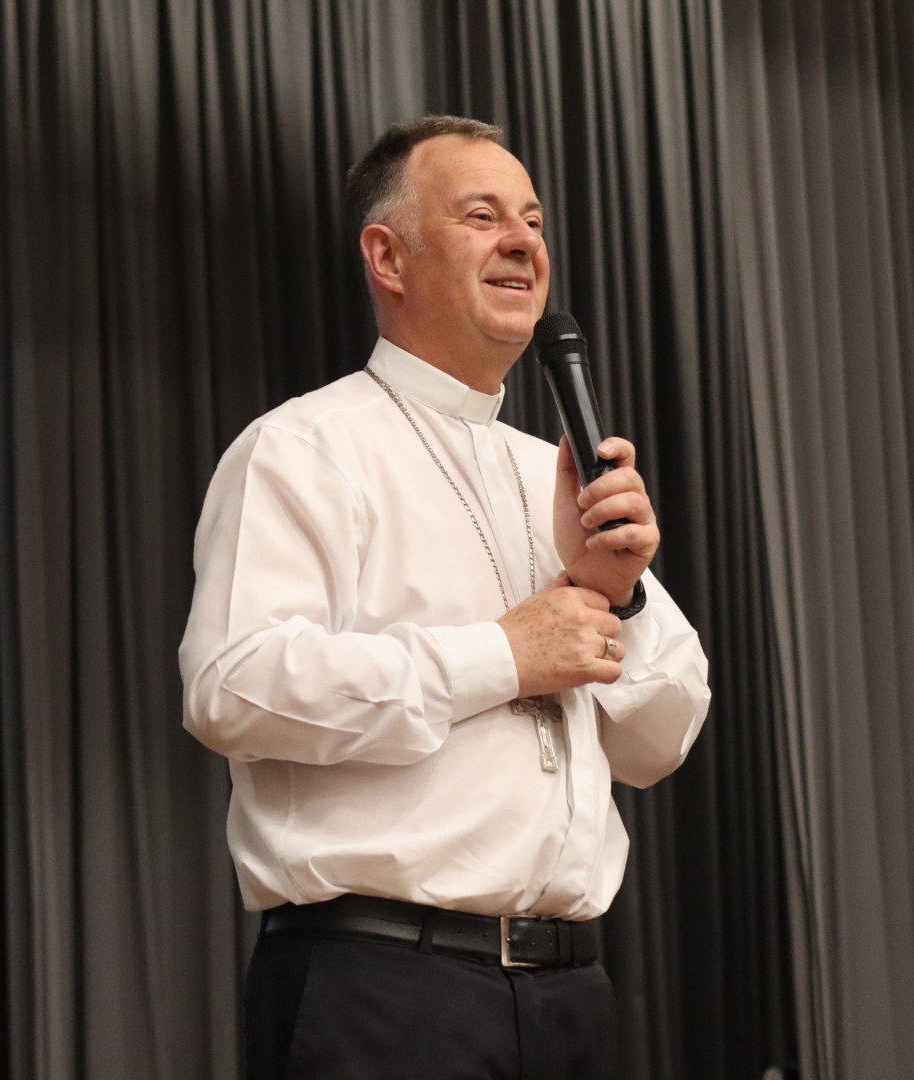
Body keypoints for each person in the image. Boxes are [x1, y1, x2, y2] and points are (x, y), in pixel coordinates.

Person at [178, 115, 710, 1080]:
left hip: (571, 996)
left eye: (534, 221)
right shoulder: (305, 449)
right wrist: (501, 656)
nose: (523, 242)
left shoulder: (557, 472)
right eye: (482, 216)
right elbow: (234, 688)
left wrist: (621, 595)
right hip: (383, 991)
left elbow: (659, 745)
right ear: (388, 256)